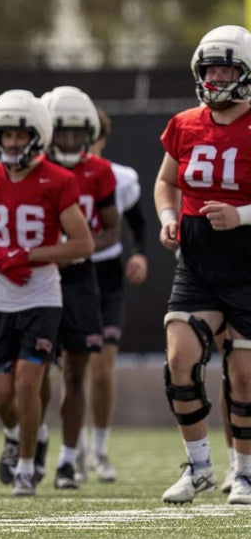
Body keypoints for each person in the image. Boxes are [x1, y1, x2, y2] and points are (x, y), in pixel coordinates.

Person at [0, 89, 93, 498]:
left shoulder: (58, 180)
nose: (13, 142)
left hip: (41, 295)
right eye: (6, 134)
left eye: (20, 134)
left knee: (27, 384)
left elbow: (83, 244)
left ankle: (26, 468)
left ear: (36, 135)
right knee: (2, 396)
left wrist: (29, 254)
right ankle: (18, 435)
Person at [156, 25, 251, 505]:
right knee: (180, 361)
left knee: (244, 374)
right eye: (210, 68)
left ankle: (246, 471)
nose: (215, 78)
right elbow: (166, 182)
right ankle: (198, 468)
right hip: (197, 262)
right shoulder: (185, 123)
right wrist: (169, 216)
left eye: (226, 69)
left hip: (248, 264)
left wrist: (242, 215)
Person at [40, 86, 121, 490]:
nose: (70, 140)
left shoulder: (99, 171)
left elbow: (112, 229)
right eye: (62, 132)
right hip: (37, 278)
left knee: (75, 370)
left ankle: (68, 459)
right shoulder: (31, 167)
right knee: (32, 371)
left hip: (78, 278)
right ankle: (31, 438)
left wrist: (80, 250)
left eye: (77, 133)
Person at [81, 109, 148, 483]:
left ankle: (100, 448)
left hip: (105, 276)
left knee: (102, 368)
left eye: (86, 135)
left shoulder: (119, 178)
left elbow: (138, 222)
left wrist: (139, 253)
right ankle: (65, 449)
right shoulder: (52, 174)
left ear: (101, 139)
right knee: (69, 370)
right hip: (66, 275)